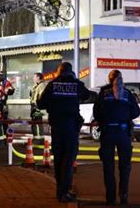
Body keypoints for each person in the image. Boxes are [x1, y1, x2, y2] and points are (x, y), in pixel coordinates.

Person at [37, 62, 90, 203]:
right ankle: (64, 192)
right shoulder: (76, 84)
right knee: (68, 160)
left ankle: (60, 191)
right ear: (70, 71)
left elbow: (41, 103)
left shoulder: (52, 85)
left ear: (59, 72)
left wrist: (54, 104)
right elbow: (87, 95)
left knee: (59, 160)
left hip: (57, 127)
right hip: (71, 128)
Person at [93, 70, 140, 206]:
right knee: (124, 167)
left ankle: (110, 198)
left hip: (108, 133)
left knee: (108, 167)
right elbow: (136, 112)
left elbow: (96, 112)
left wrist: (105, 119)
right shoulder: (127, 93)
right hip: (123, 133)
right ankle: (123, 195)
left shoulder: (103, 94)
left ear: (109, 79)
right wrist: (124, 117)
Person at [29, 72, 45, 145]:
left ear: (38, 77)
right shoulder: (36, 86)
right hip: (34, 106)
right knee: (35, 123)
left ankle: (39, 140)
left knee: (37, 123)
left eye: (34, 77)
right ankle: (37, 138)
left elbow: (42, 96)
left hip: (37, 106)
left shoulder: (41, 86)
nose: (33, 78)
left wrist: (38, 105)